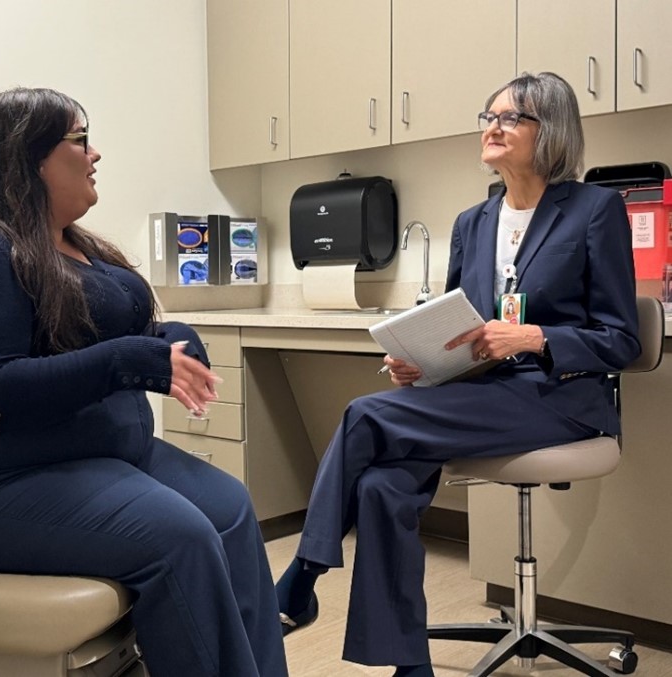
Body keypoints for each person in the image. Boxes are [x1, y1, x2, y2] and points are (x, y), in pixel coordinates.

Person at [0, 87, 288, 677]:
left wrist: (171, 339)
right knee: (178, 537)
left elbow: (117, 328)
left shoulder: (76, 247)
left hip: (93, 456)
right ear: (28, 155)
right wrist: (129, 359)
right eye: (80, 140)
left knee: (231, 509)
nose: (95, 154)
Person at [274, 72, 640, 677]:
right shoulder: (474, 221)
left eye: (510, 118)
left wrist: (535, 336)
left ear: (548, 132)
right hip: (485, 393)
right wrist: (421, 360)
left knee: (366, 413)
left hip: (563, 398)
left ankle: (300, 578)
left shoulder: (594, 210)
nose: (491, 128)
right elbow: (456, 327)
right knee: (380, 488)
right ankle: (409, 665)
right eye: (488, 116)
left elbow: (621, 339)